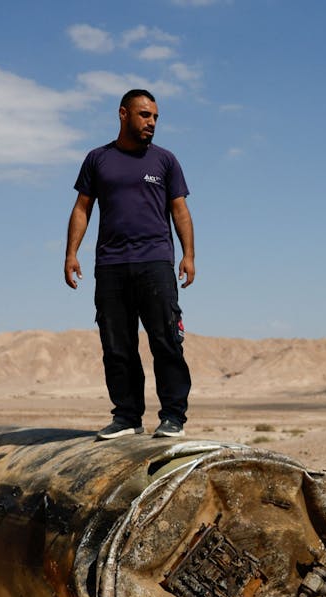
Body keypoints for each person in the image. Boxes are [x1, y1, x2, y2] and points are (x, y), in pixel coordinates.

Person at [64, 89, 197, 440]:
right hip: (110, 265)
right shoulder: (98, 159)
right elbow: (82, 208)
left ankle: (173, 417)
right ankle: (126, 417)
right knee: (117, 346)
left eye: (155, 117)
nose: (151, 122)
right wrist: (71, 254)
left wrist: (188, 255)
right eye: (144, 115)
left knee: (166, 340)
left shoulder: (165, 161)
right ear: (123, 114)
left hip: (154, 262)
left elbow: (180, 210)